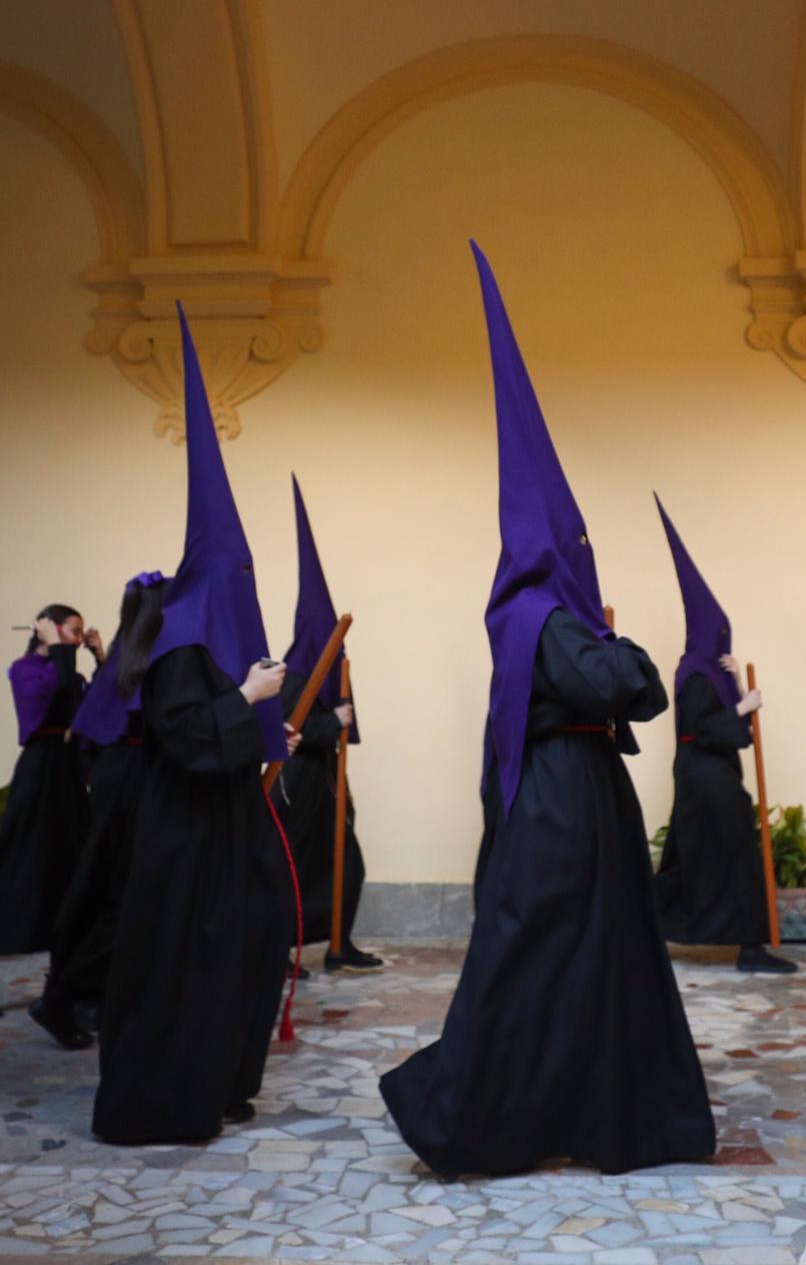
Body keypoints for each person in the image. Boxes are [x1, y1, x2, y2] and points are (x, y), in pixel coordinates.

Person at [380, 243, 715, 1177]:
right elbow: (628, 684)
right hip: (569, 802)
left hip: (576, 798)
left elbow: (620, 683)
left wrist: (619, 655)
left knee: (585, 957)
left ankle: (583, 1109)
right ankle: (469, 1112)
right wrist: (626, 646)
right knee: (548, 958)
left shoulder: (532, 615)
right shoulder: (546, 615)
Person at [92, 304, 293, 1145]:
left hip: (226, 831)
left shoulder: (205, 639)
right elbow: (180, 739)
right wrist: (246, 701)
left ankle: (218, 1081)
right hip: (184, 840)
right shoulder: (179, 642)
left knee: (241, 950)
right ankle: (170, 1099)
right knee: (187, 963)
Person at [652, 496, 795, 974]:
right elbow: (702, 728)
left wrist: (733, 684)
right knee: (726, 860)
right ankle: (749, 949)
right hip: (706, 779)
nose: (724, 644)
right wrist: (743, 704)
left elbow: (721, 723)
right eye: (721, 635)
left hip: (710, 778)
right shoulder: (693, 673)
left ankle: (654, 929)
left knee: (699, 859)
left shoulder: (707, 673)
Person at [30, 575, 162, 1050]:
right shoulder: (146, 660)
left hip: (116, 781)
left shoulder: (123, 657)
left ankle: (88, 995)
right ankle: (61, 998)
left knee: (111, 898)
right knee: (123, 902)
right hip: (131, 787)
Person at [270, 475, 380, 973]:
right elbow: (286, 728)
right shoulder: (294, 674)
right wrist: (329, 722)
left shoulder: (317, 669)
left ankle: (338, 942)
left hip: (327, 788)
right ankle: (281, 950)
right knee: (290, 870)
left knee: (346, 866)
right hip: (299, 789)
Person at [0, 606, 101, 956]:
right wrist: (58, 649)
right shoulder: (23, 669)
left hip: (68, 767)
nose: (78, 639)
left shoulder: (69, 670)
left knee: (72, 849)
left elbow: (98, 706)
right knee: (29, 851)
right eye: (73, 632)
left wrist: (100, 656)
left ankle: (65, 933)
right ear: (52, 630)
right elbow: (46, 696)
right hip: (40, 767)